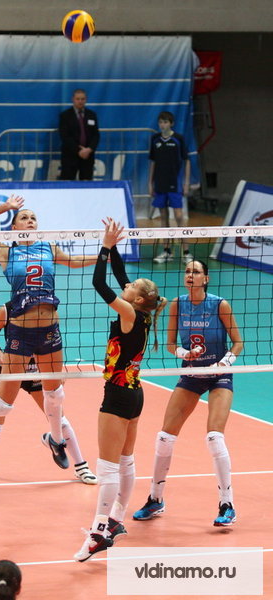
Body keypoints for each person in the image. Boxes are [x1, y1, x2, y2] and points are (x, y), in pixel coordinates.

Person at [0, 197, 99, 473]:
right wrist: (6, 207)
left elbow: (74, 261)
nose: (30, 221)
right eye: (24, 217)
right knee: (2, 406)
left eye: (33, 218)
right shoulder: (6, 252)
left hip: (48, 331)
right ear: (13, 227)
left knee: (55, 397)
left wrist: (105, 254)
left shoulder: (48, 247)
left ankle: (60, 445)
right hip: (20, 334)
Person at [74, 218, 167, 562]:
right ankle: (116, 519)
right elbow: (120, 274)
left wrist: (103, 248)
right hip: (134, 393)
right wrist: (113, 246)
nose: (126, 284)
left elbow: (99, 282)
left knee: (108, 467)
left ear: (137, 298)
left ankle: (98, 533)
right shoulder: (141, 312)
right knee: (126, 461)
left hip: (116, 395)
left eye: (131, 287)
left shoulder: (128, 311)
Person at [132, 260, 243, 526]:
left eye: (196, 272)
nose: (190, 275)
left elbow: (238, 342)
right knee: (164, 438)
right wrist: (185, 353)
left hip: (218, 374)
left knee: (214, 437)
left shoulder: (220, 305)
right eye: (187, 271)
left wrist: (224, 363)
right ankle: (155, 499)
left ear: (206, 278)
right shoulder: (177, 305)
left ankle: (227, 505)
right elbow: (171, 344)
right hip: (192, 373)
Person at [0, 300, 97, 485]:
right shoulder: (7, 309)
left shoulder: (48, 310)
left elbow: (54, 342)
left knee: (58, 418)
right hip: (12, 368)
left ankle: (81, 467)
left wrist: (57, 372)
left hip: (37, 370)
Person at [149, 111, 193, 264]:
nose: (163, 125)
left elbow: (187, 161)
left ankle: (186, 252)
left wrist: (186, 182)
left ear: (171, 123)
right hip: (160, 183)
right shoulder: (155, 139)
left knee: (179, 216)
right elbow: (153, 162)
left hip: (175, 183)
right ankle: (167, 251)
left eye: (166, 122)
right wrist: (150, 183)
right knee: (163, 217)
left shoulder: (178, 139)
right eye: (161, 122)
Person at [59, 88, 100, 181]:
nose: (80, 101)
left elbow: (96, 135)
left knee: (87, 184)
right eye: (78, 99)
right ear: (73, 99)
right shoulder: (65, 116)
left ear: (86, 99)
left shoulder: (91, 115)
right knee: (67, 184)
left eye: (82, 99)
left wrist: (89, 149)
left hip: (87, 157)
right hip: (70, 156)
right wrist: (79, 150)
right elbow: (65, 136)